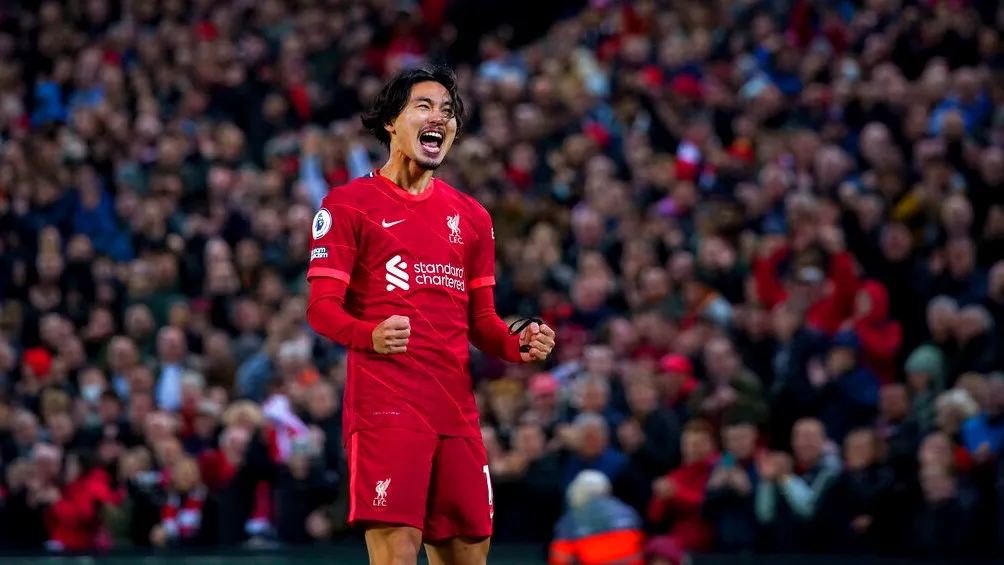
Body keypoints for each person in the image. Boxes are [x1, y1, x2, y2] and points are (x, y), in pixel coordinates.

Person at [305, 65, 557, 565]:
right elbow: (321, 309)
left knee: (468, 555)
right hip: (386, 408)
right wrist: (370, 335)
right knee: (397, 553)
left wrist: (517, 343)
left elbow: (482, 323)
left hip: (455, 412)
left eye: (448, 111)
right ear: (390, 123)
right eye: (424, 106)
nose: (439, 117)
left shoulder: (473, 217)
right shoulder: (348, 205)